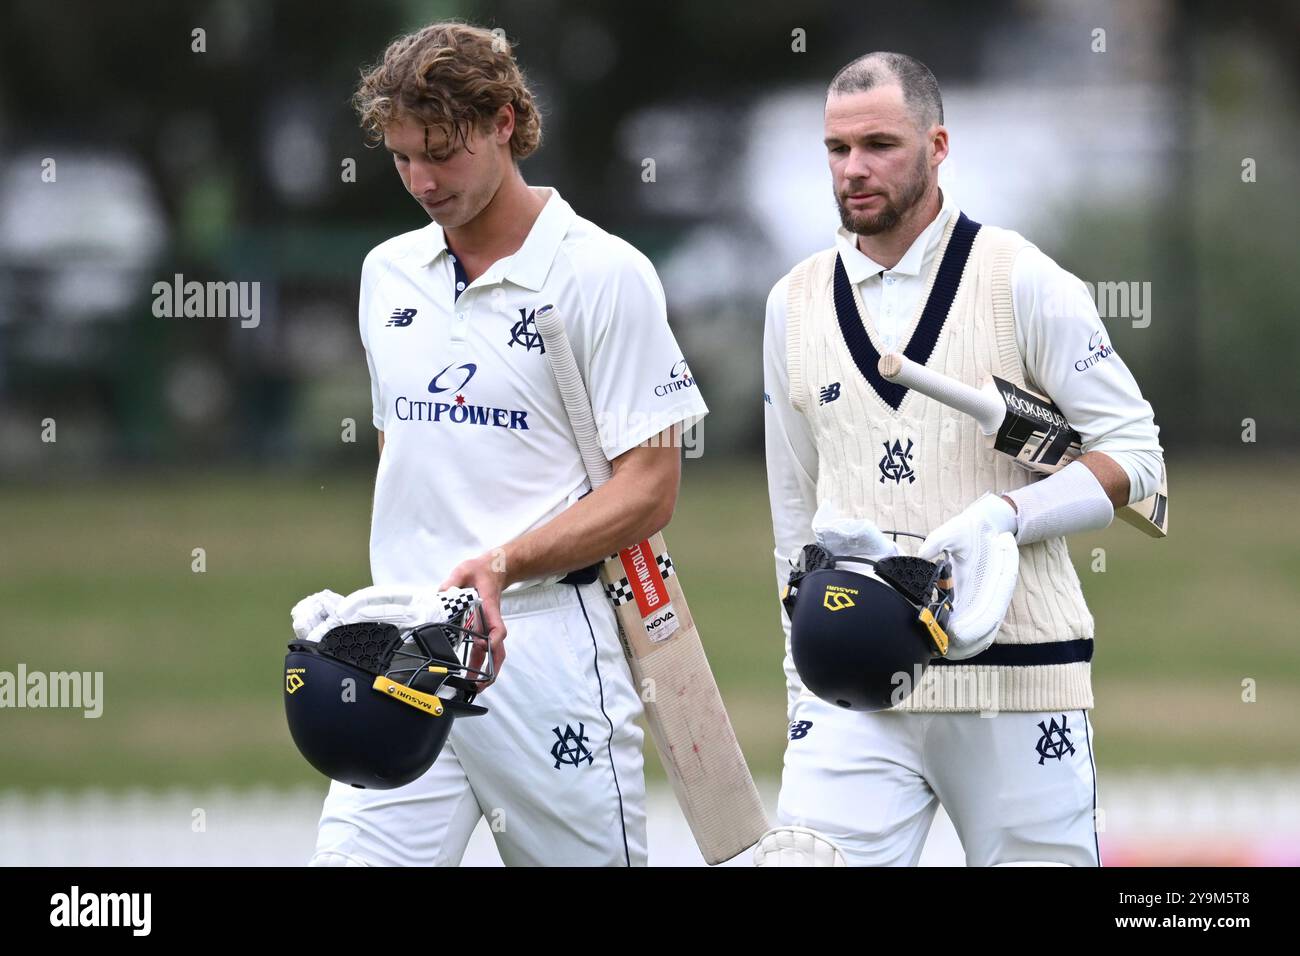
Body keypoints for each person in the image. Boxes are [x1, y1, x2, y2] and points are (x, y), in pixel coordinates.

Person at [309, 21, 707, 867]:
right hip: (406, 648)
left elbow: (650, 489)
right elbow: (405, 452)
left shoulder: (605, 274)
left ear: (502, 121)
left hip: (546, 650)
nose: (421, 180)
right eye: (403, 157)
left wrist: (502, 563)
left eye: (441, 154)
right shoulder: (388, 273)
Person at [759, 51, 1164, 866]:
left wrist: (1006, 517)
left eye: (880, 144)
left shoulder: (1025, 281)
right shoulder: (794, 302)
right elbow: (794, 511)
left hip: (1018, 682)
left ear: (938, 145)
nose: (855, 169)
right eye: (837, 150)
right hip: (854, 689)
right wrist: (803, 673)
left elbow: (1138, 464)